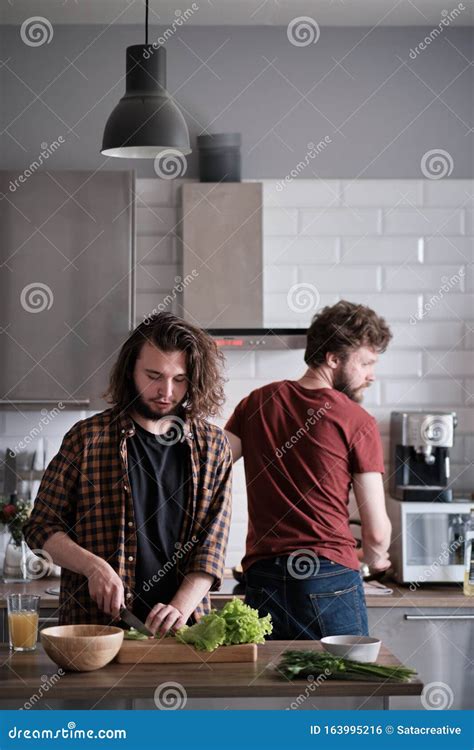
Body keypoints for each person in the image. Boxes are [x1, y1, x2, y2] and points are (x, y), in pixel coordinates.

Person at [24, 312, 232, 635]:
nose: (166, 391)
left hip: (184, 634)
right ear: (130, 370)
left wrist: (179, 608)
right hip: (95, 633)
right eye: (153, 375)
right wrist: (93, 567)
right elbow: (40, 526)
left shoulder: (214, 447)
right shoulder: (87, 438)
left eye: (179, 379)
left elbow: (211, 548)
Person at [224, 300, 392, 640]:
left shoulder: (257, 402)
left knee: (267, 688)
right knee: (340, 689)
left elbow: (210, 465)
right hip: (330, 580)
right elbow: (375, 535)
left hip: (263, 578)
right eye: (366, 363)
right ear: (333, 358)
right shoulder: (357, 420)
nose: (371, 375)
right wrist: (376, 558)